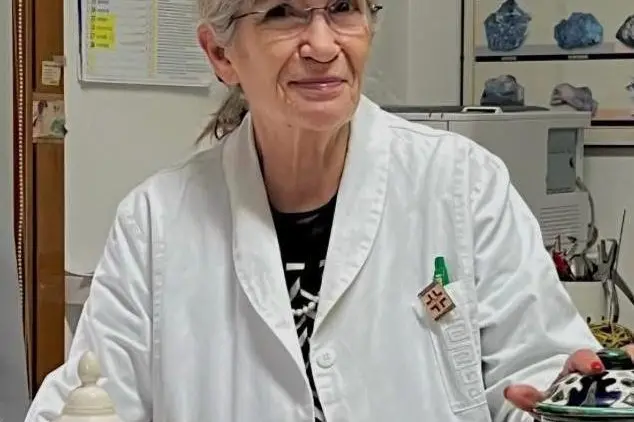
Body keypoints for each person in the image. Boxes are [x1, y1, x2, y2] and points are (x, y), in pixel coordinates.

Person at [24, 0, 625, 421]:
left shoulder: (463, 186)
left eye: (342, 8)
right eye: (282, 13)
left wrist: (570, 398)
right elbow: (89, 398)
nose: (322, 44)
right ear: (220, 54)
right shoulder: (156, 224)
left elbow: (539, 374)